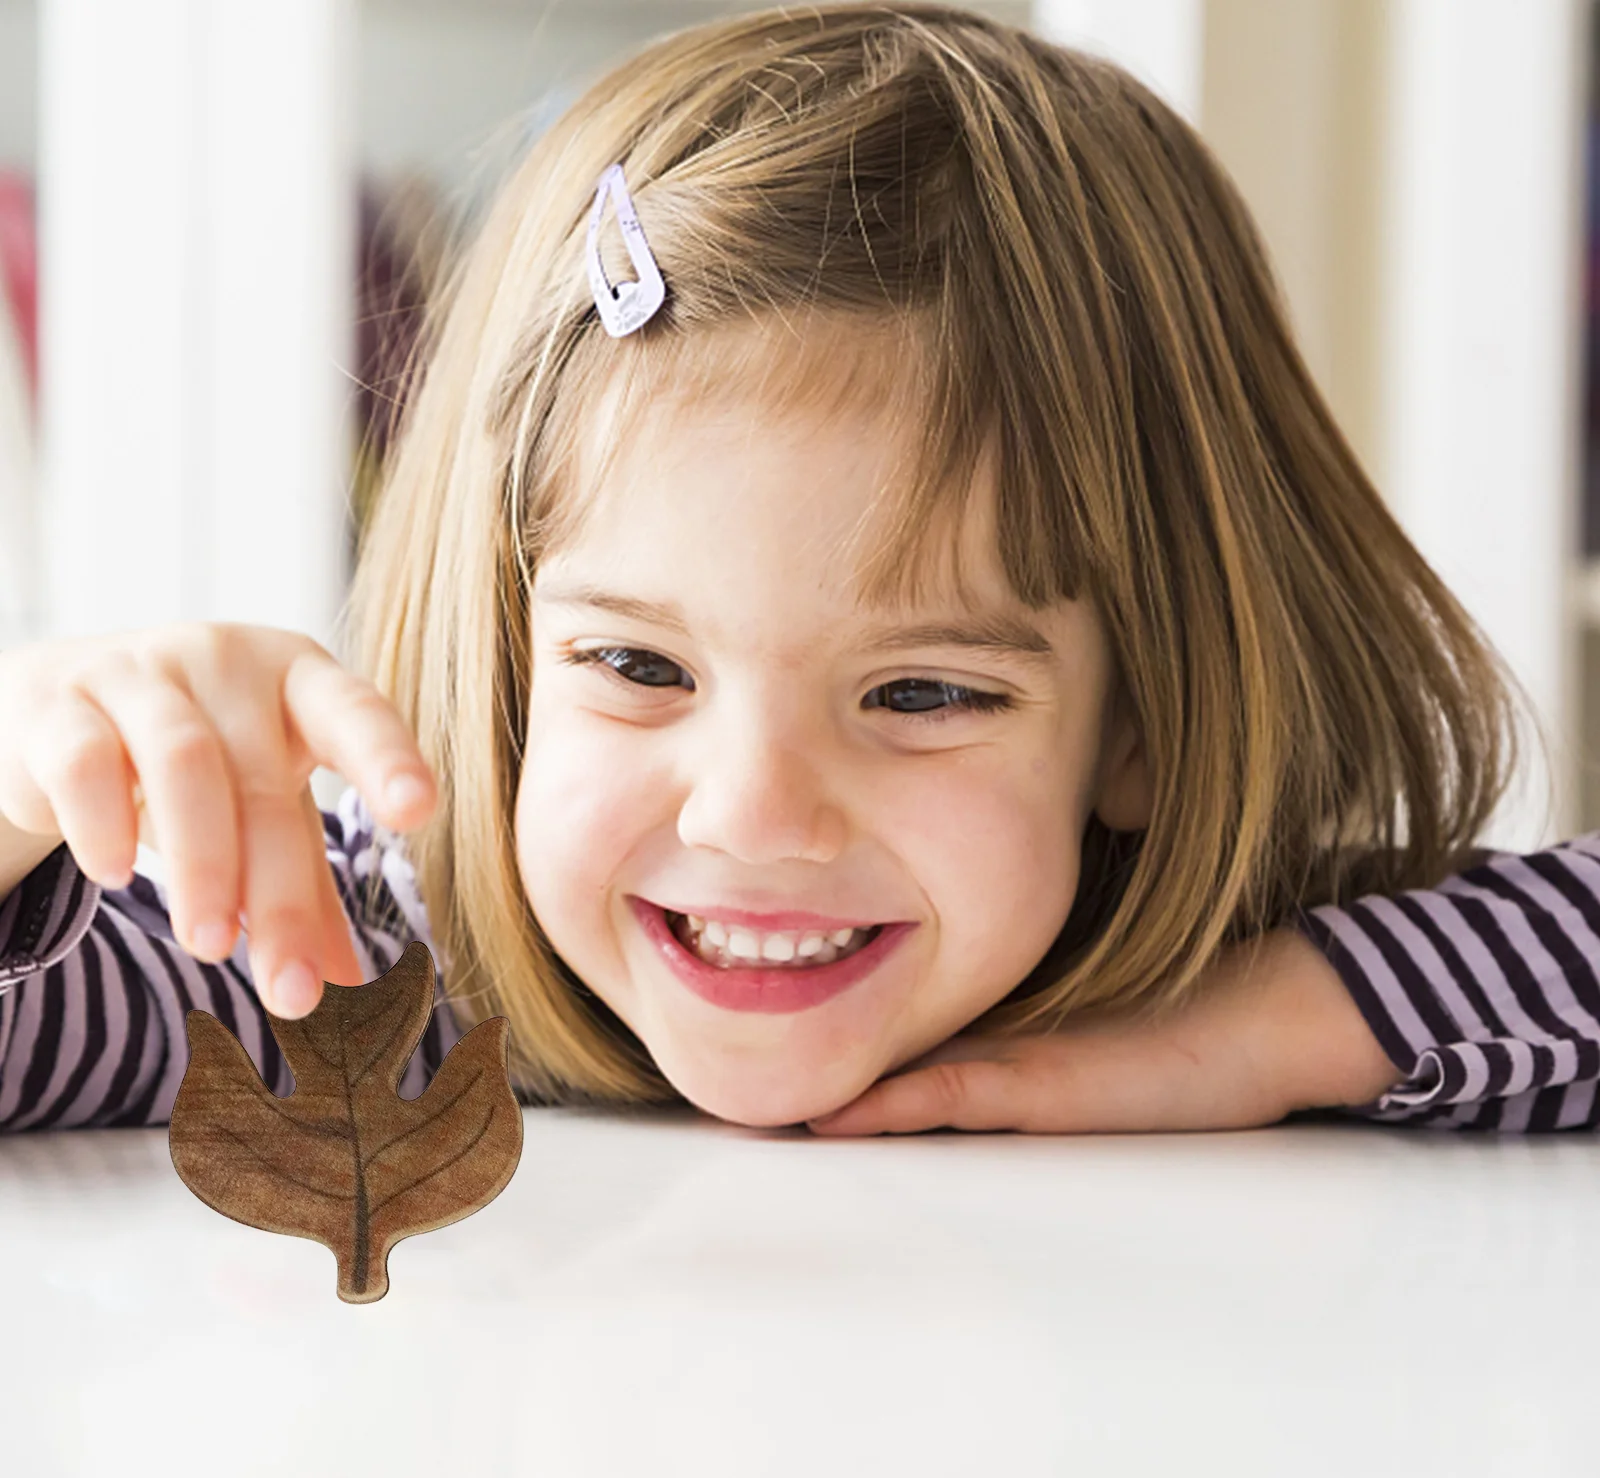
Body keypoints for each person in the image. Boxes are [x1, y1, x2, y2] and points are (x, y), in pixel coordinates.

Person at [1, 2, 1595, 1138]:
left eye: (920, 691)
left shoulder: (1285, 968)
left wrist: (1273, 1026)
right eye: (637, 668)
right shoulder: (349, 957)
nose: (751, 817)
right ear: (506, 659)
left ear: (1144, 726)